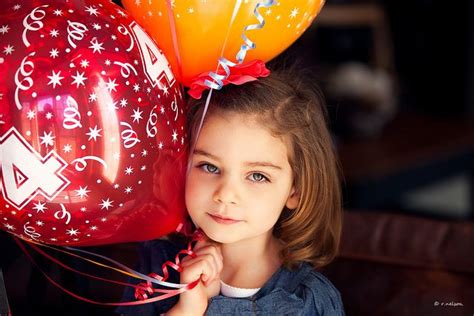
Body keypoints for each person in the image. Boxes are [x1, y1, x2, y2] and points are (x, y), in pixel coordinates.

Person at [117, 65, 345, 315]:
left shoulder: (306, 300)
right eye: (209, 167)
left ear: (295, 190)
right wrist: (188, 309)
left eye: (257, 176)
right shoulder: (157, 270)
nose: (225, 194)